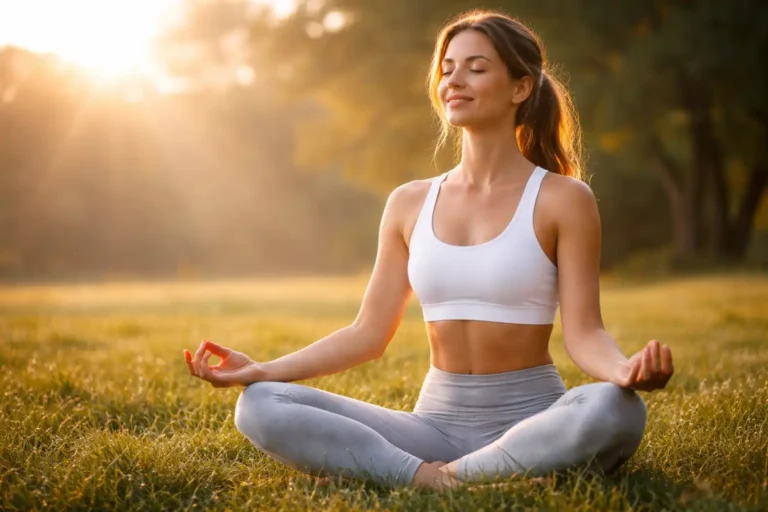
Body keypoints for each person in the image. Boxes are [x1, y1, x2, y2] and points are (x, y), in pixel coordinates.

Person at [183, 9, 674, 491]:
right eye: (447, 69)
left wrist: (623, 370)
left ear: (520, 88)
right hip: (432, 427)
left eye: (477, 68)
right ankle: (441, 478)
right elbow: (368, 333)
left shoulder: (564, 199)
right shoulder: (408, 202)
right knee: (261, 403)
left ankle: (449, 476)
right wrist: (261, 370)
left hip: (534, 419)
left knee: (617, 409)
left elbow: (586, 333)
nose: (455, 80)